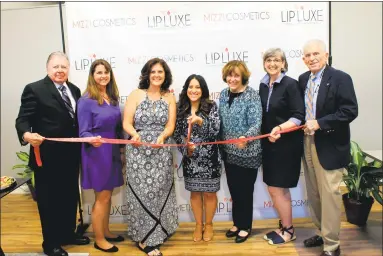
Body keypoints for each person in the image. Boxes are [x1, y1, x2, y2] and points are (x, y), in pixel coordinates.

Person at [15, 52, 90, 256]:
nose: (60, 71)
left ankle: (67, 234)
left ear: (68, 69)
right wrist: (26, 134)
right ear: (48, 68)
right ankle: (50, 243)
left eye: (63, 67)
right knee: (49, 201)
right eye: (56, 67)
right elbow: (23, 119)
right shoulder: (34, 89)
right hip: (46, 158)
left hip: (71, 156)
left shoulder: (74, 90)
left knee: (68, 196)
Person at [299, 39, 358, 256]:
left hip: (330, 144)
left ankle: (332, 245)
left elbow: (350, 111)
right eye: (307, 55)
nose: (312, 58)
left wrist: (320, 123)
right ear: (303, 59)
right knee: (314, 193)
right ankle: (322, 233)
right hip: (307, 142)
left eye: (316, 53)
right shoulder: (303, 79)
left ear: (326, 54)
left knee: (330, 196)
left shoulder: (341, 78)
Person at [123, 58, 178, 256]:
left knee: (160, 191)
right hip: (138, 150)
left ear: (165, 75)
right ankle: (145, 240)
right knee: (142, 194)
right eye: (153, 71)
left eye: (160, 72)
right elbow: (127, 123)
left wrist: (162, 137)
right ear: (147, 74)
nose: (156, 75)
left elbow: (170, 125)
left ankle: (159, 230)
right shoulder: (136, 94)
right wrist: (135, 135)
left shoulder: (169, 97)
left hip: (161, 149)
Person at [77, 59, 125, 253]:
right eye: (99, 72)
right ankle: (99, 239)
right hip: (97, 153)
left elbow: (117, 127)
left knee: (108, 195)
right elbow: (83, 132)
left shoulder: (112, 98)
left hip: (112, 150)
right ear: (92, 75)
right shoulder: (86, 101)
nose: (103, 75)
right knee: (102, 197)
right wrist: (92, 139)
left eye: (106, 72)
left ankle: (106, 231)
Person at [258, 48, 305, 245]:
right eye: (269, 60)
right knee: (273, 188)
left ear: (283, 63)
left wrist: (279, 128)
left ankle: (289, 230)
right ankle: (284, 225)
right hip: (268, 145)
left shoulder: (290, 84)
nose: (272, 63)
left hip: (286, 145)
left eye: (277, 60)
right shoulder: (263, 84)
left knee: (279, 189)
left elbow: (298, 116)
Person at [173, 74, 222, 242]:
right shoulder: (180, 108)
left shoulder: (211, 106)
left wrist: (201, 121)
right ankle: (198, 225)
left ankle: (208, 225)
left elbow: (216, 130)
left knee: (209, 193)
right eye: (191, 87)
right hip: (191, 159)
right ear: (186, 89)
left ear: (203, 90)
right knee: (195, 193)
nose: (194, 90)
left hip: (210, 159)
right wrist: (186, 147)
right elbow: (177, 134)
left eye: (197, 87)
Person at [218, 60, 262, 243]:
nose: (232, 78)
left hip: (248, 153)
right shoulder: (223, 94)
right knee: (235, 190)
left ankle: (245, 226)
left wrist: (246, 137)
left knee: (245, 191)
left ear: (243, 76)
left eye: (236, 75)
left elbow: (256, 122)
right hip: (228, 152)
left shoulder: (252, 95)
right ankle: (237, 223)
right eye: (230, 75)